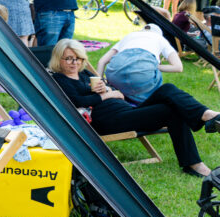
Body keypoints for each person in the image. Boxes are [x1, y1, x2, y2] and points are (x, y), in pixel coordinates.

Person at [50, 39, 216, 176]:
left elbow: (112, 91)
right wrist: (106, 95)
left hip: (126, 111)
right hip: (108, 121)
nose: (74, 62)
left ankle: (205, 115)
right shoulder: (59, 79)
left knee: (167, 89)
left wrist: (108, 89)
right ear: (59, 59)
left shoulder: (84, 74)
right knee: (171, 110)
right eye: (69, 58)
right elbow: (75, 101)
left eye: (78, 58)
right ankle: (194, 161)